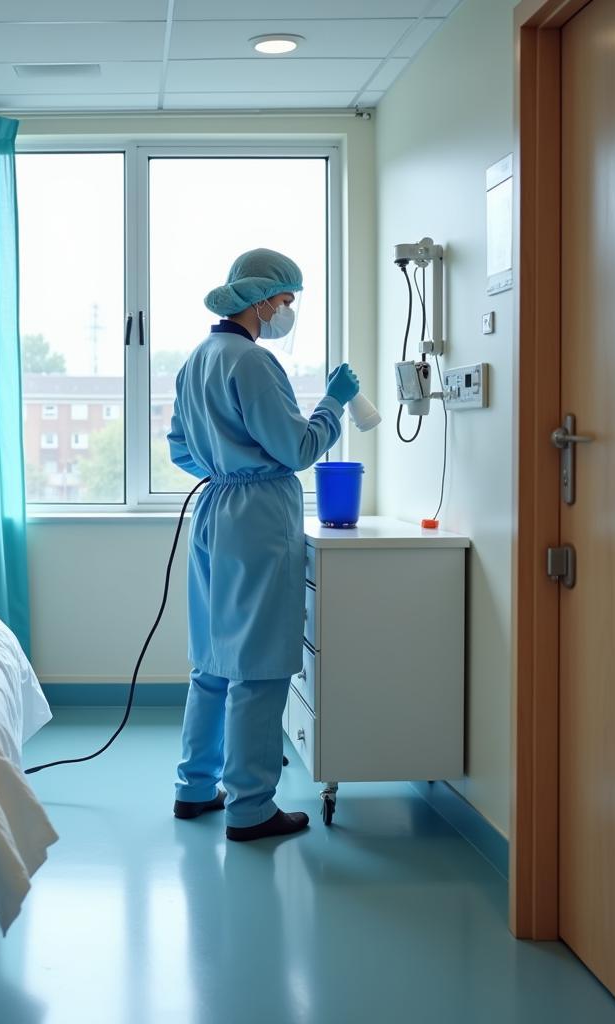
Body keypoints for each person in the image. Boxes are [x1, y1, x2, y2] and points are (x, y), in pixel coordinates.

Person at [168, 247, 359, 842]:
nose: (288, 311)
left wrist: (225, 462)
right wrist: (334, 402)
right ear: (259, 299)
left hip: (214, 510)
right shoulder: (250, 362)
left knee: (213, 659)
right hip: (257, 516)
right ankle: (250, 808)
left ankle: (195, 787)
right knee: (260, 664)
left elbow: (179, 449)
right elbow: (298, 449)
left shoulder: (197, 358)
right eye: (285, 300)